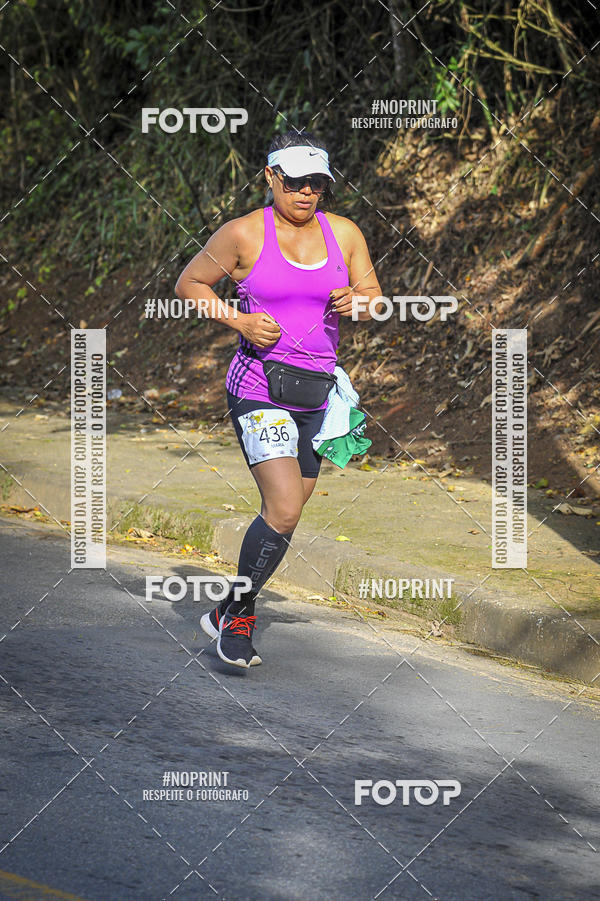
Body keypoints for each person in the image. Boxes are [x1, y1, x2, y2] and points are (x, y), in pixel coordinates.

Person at [175, 130, 382, 669]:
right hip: (259, 386)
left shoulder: (345, 234)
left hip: (318, 391)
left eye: (317, 183)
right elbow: (191, 284)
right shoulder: (243, 234)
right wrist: (237, 318)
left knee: (284, 516)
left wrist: (356, 303)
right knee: (286, 505)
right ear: (271, 177)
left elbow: (375, 301)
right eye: (295, 182)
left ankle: (225, 608)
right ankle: (240, 618)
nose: (306, 193)